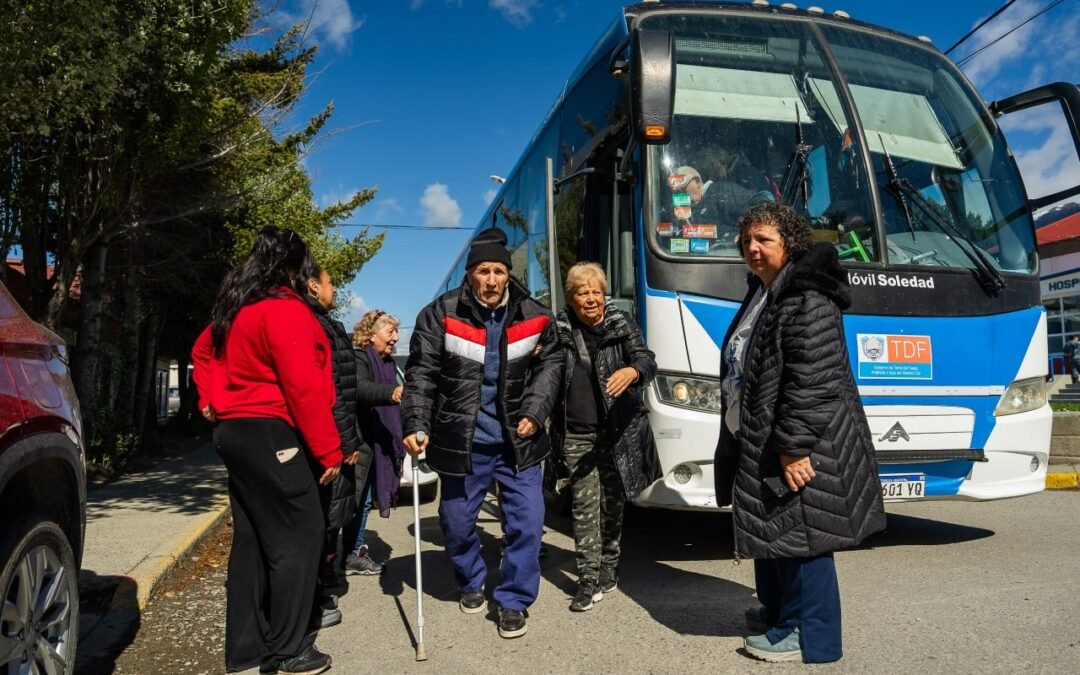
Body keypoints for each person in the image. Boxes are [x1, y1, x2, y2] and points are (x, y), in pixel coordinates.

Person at [713, 203, 885, 664]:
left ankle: (809, 635)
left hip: (803, 442)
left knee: (806, 534)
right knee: (777, 524)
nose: (752, 248)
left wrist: (793, 446)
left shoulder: (808, 297)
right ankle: (779, 612)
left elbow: (814, 378)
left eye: (764, 239)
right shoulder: (765, 290)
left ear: (789, 243)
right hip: (766, 434)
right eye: (746, 240)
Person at [191, 226, 341, 675]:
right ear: (295, 270)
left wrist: (209, 397)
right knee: (302, 534)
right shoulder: (285, 310)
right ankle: (288, 649)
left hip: (234, 433)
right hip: (273, 433)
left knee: (253, 538)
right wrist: (329, 450)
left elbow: (201, 351)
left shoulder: (237, 307)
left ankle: (246, 648)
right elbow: (303, 387)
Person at [401, 226, 562, 639]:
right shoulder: (440, 314)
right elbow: (421, 374)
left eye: (499, 272)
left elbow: (552, 365)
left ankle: (513, 600)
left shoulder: (535, 314)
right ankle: (470, 578)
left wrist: (536, 411)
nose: (491, 280)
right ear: (470, 274)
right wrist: (416, 422)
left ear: (509, 274)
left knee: (528, 524)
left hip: (518, 441)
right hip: (463, 441)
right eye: (483, 271)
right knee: (456, 523)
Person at [552, 262, 659, 612]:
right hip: (577, 434)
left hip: (617, 433)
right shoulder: (558, 330)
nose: (591, 299)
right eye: (583, 293)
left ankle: (609, 565)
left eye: (596, 292)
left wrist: (633, 371)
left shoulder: (621, 323)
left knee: (613, 505)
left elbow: (647, 360)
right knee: (584, 507)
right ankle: (587, 577)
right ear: (571, 298)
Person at [293, 262, 366, 616]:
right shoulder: (313, 324)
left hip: (333, 435)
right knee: (323, 519)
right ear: (312, 285)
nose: (334, 288)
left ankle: (322, 583)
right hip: (328, 440)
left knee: (331, 516)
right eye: (330, 282)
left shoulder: (325, 323)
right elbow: (330, 390)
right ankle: (314, 596)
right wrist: (347, 442)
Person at [343, 309, 406, 575]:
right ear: (371, 334)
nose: (396, 338)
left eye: (396, 332)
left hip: (376, 443)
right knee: (352, 501)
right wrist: (392, 393)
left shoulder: (389, 364)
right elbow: (362, 388)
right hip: (357, 443)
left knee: (364, 501)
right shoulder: (358, 357)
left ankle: (352, 552)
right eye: (390, 332)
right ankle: (340, 555)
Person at [669, 165, 773, 241]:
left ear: (697, 182)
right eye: (675, 191)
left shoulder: (721, 191)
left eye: (682, 187)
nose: (679, 194)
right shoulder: (683, 213)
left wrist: (744, 237)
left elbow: (762, 201)